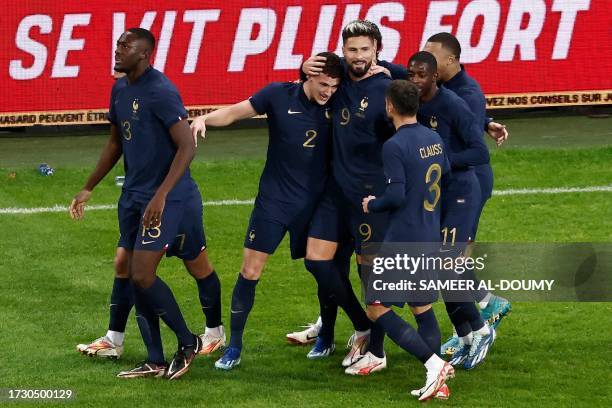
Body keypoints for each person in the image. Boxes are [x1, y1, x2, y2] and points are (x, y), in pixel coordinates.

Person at [189, 52, 344, 370]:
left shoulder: (341, 103)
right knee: (250, 272)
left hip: (316, 205)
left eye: (334, 85)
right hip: (274, 203)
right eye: (324, 84)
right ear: (308, 77)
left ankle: (326, 335)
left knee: (322, 271)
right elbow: (235, 113)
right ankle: (234, 346)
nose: (329, 91)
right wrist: (204, 119)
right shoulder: (277, 94)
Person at [70, 28, 202, 380]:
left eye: (125, 46)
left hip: (163, 198)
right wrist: (88, 188)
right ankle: (155, 360)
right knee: (129, 271)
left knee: (143, 274)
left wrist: (160, 194)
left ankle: (188, 341)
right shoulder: (120, 88)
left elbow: (187, 146)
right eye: (117, 44)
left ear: (144, 54)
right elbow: (115, 143)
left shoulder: (161, 92)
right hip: (131, 196)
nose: (117, 50)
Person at [297, 20, 397, 372]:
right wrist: (302, 66)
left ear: (377, 51)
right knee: (316, 260)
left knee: (372, 276)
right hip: (335, 194)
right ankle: (361, 324)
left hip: (370, 199)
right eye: (352, 49)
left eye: (364, 50)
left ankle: (378, 352)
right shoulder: (336, 81)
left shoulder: (388, 87)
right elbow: (309, 81)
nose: (357, 56)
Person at [361, 79, 453, 400]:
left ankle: (433, 365)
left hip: (404, 239)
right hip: (429, 235)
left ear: (389, 107)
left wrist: (373, 203)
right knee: (421, 307)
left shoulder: (395, 145)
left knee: (375, 307)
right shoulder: (435, 138)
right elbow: (448, 175)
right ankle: (438, 382)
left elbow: (396, 195)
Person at [423, 33, 511, 356]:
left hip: (468, 182)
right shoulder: (443, 86)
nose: (427, 63)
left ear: (449, 61)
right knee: (448, 259)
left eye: (432, 57)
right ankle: (479, 315)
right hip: (449, 182)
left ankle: (480, 322)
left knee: (452, 260)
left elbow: (470, 141)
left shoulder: (469, 94)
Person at [408, 51, 495, 370]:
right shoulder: (411, 102)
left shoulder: (453, 104)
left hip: (460, 192)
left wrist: (440, 161)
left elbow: (479, 153)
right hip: (436, 196)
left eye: (421, 75)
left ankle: (482, 331)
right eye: (410, 74)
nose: (415, 80)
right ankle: (465, 336)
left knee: (447, 264)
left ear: (435, 77)